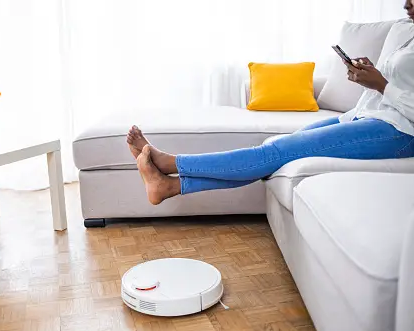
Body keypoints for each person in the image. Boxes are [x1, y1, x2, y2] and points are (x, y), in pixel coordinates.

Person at [127, 0, 414, 205]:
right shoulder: (406, 31)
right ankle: (168, 186)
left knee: (277, 150)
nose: (405, 3)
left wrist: (382, 85)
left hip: (400, 131)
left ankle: (172, 163)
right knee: (273, 150)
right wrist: (371, 75)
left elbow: (397, 94)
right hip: (366, 115)